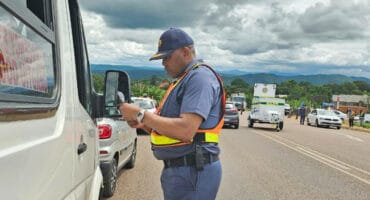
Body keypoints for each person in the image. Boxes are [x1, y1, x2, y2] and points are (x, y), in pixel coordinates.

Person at [119, 28, 225, 200]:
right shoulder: (184, 80)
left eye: (166, 57)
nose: (163, 63)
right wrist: (142, 124)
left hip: (193, 171)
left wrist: (141, 114)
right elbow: (171, 129)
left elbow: (185, 130)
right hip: (181, 171)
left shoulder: (200, 78)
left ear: (185, 52)